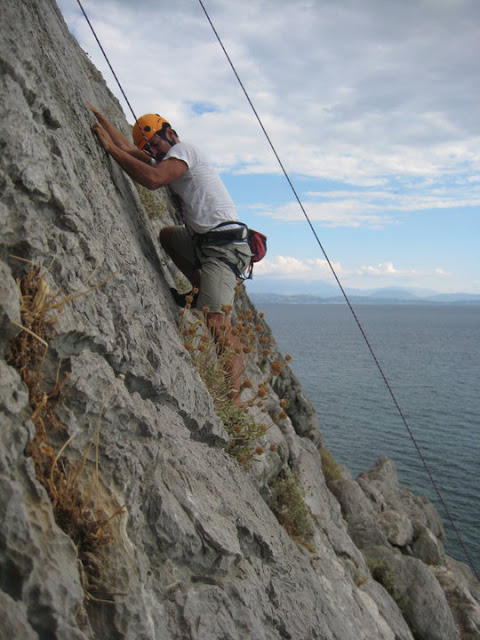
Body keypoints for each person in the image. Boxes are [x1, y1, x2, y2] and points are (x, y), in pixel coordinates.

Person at [88, 104, 252, 401]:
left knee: (217, 322)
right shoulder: (168, 157)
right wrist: (99, 116)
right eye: (149, 147)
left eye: (156, 143)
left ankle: (234, 400)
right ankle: (201, 290)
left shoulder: (184, 151)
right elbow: (130, 149)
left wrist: (111, 150)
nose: (154, 150)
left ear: (172, 135)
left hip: (223, 248)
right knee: (167, 236)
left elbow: (152, 180)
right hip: (204, 241)